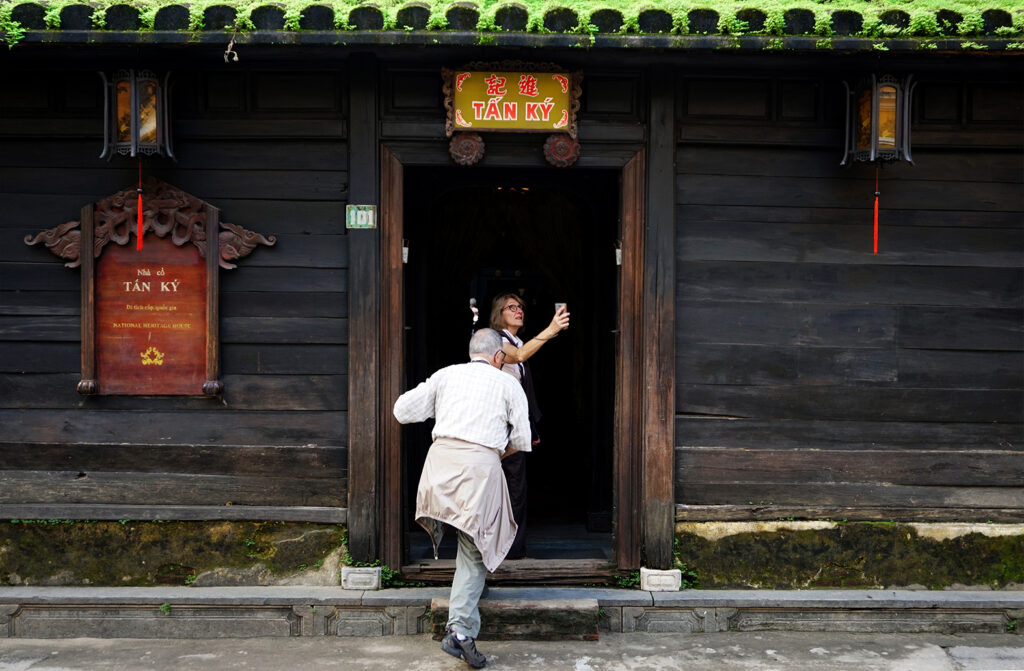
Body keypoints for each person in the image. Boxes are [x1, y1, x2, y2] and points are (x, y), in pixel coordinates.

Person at [393, 327, 530, 669]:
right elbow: (522, 440)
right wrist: (491, 452)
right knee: (474, 549)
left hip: (439, 470)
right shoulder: (508, 383)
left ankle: (468, 600)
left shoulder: (446, 375)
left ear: (471, 352)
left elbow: (402, 410)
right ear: (499, 357)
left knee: (466, 542)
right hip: (478, 474)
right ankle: (460, 632)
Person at [489, 293, 570, 559]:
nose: (518, 311)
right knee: (499, 486)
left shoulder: (518, 341)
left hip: (514, 426)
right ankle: (496, 548)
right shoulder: (493, 339)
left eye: (520, 306)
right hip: (497, 426)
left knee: (515, 487)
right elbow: (518, 356)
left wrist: (530, 426)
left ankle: (512, 549)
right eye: (511, 307)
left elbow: (524, 390)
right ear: (499, 313)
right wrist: (552, 329)